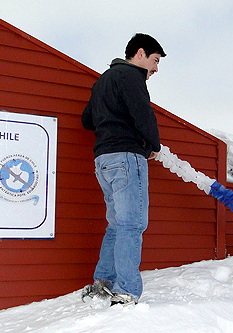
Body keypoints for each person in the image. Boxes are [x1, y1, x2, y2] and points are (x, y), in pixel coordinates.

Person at [81, 33, 166, 306]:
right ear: (139, 53)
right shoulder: (132, 77)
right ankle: (127, 290)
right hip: (127, 158)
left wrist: (110, 125)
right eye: (155, 61)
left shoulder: (102, 81)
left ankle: (102, 282)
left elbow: (87, 120)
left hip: (103, 160)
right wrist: (153, 144)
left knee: (116, 225)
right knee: (132, 225)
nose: (155, 69)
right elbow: (144, 115)